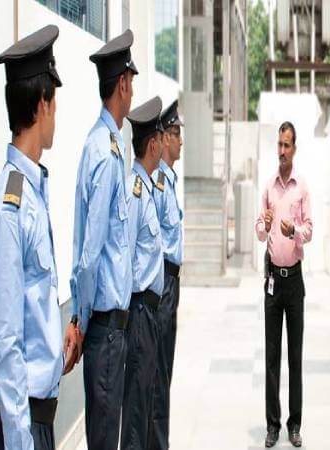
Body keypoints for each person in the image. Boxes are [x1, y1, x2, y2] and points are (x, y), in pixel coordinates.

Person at [0, 25, 64, 450]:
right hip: (22, 426)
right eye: (55, 103)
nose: (56, 115)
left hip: (38, 419)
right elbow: (5, 340)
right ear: (41, 105)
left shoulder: (32, 190)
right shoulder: (10, 206)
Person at [70, 29, 138, 449]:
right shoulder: (105, 154)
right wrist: (80, 319)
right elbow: (90, 253)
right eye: (132, 83)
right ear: (123, 85)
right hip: (105, 329)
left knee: (105, 435)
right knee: (103, 439)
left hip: (109, 329)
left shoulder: (103, 145)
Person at [255, 121, 313, 448]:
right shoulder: (269, 187)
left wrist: (295, 232)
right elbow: (259, 231)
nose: (281, 150)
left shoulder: (301, 188)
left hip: (295, 283)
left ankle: (294, 424)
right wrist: (264, 225)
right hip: (273, 282)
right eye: (279, 144)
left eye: (287, 145)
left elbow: (310, 229)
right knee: (272, 357)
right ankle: (272, 424)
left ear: (295, 148)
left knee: (295, 357)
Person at [121, 96, 165, 449]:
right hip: (138, 314)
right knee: (136, 413)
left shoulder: (146, 189)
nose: (164, 144)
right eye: (161, 138)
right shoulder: (135, 192)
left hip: (148, 314)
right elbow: (125, 257)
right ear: (152, 145)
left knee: (146, 403)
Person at [149, 99, 185, 450]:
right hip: (162, 283)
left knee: (165, 373)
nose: (181, 141)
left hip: (171, 283)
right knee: (159, 376)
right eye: (176, 133)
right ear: (163, 138)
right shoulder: (158, 184)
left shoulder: (168, 182)